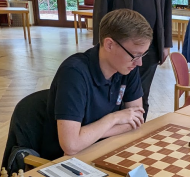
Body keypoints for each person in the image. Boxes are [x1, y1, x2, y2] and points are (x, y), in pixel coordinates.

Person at [41, 9, 152, 160]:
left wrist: (88, 135)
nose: (139, 63)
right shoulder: (74, 73)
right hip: (65, 162)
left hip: (108, 149)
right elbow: (71, 145)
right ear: (109, 44)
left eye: (143, 54)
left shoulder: (127, 68)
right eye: (135, 55)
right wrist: (114, 119)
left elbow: (137, 120)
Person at [93, 0, 173, 120]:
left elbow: (166, 5)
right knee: (114, 97)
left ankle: (136, 133)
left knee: (142, 95)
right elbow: (102, 5)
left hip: (152, 44)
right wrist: (100, 41)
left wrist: (166, 43)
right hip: (120, 44)